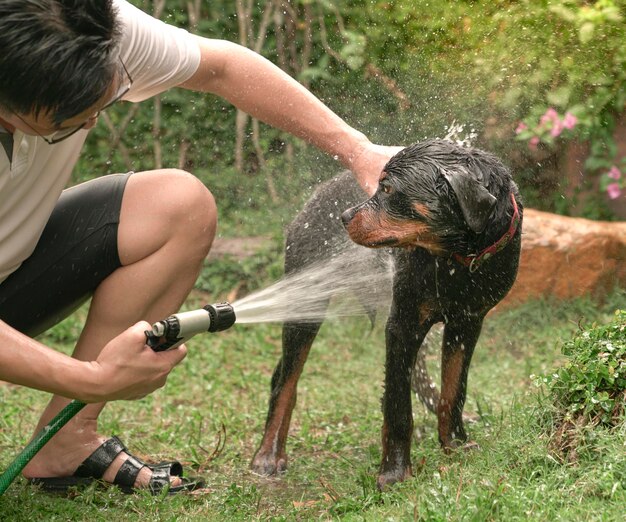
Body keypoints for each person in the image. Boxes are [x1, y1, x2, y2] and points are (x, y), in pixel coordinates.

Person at [0, 0, 400, 494]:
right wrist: (91, 378)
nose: (91, 125)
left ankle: (66, 440)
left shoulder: (85, 27)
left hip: (12, 273)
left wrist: (357, 150)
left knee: (179, 204)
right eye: (66, 122)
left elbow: (224, 68)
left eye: (105, 101)